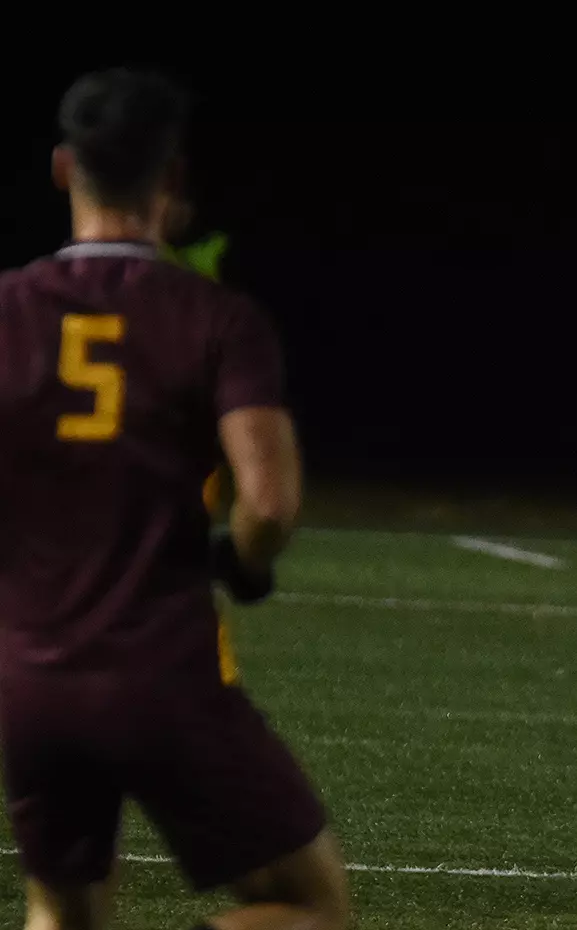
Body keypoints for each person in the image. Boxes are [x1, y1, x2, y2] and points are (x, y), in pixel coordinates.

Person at [0, 68, 352, 930]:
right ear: (172, 179)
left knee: (62, 909)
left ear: (61, 169)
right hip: (162, 671)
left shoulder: (7, 310)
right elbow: (267, 505)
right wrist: (244, 562)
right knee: (309, 906)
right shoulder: (218, 320)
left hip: (31, 677)